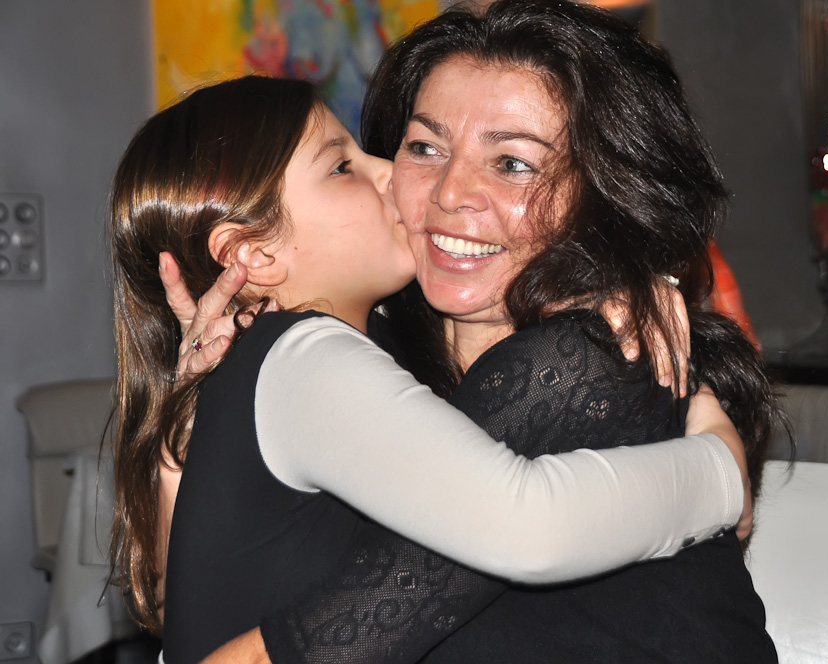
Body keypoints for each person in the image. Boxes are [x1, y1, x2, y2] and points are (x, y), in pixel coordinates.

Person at [170, 0, 786, 661]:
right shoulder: (375, 358)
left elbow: (330, 633)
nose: (450, 192)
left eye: (513, 163)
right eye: (425, 147)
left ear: (604, 190)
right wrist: (196, 405)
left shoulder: (590, 358)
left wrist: (720, 472)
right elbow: (187, 586)